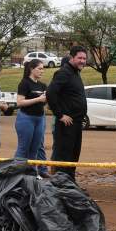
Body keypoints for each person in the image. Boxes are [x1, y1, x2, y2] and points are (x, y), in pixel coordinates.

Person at [47, 45, 88, 183]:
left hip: (76, 123)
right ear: (72, 57)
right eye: (79, 58)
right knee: (64, 157)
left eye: (84, 58)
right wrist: (60, 115)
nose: (82, 61)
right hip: (66, 124)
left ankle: (70, 185)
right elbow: (50, 93)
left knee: (74, 156)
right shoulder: (64, 73)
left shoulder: (75, 73)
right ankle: (61, 187)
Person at [14, 59, 49, 177]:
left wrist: (45, 100)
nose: (42, 71)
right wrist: (38, 99)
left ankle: (32, 174)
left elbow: (43, 103)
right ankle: (16, 173)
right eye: (39, 68)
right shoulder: (24, 83)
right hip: (26, 118)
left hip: (39, 118)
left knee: (35, 148)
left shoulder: (42, 85)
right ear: (31, 69)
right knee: (24, 147)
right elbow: (19, 102)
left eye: (42, 68)